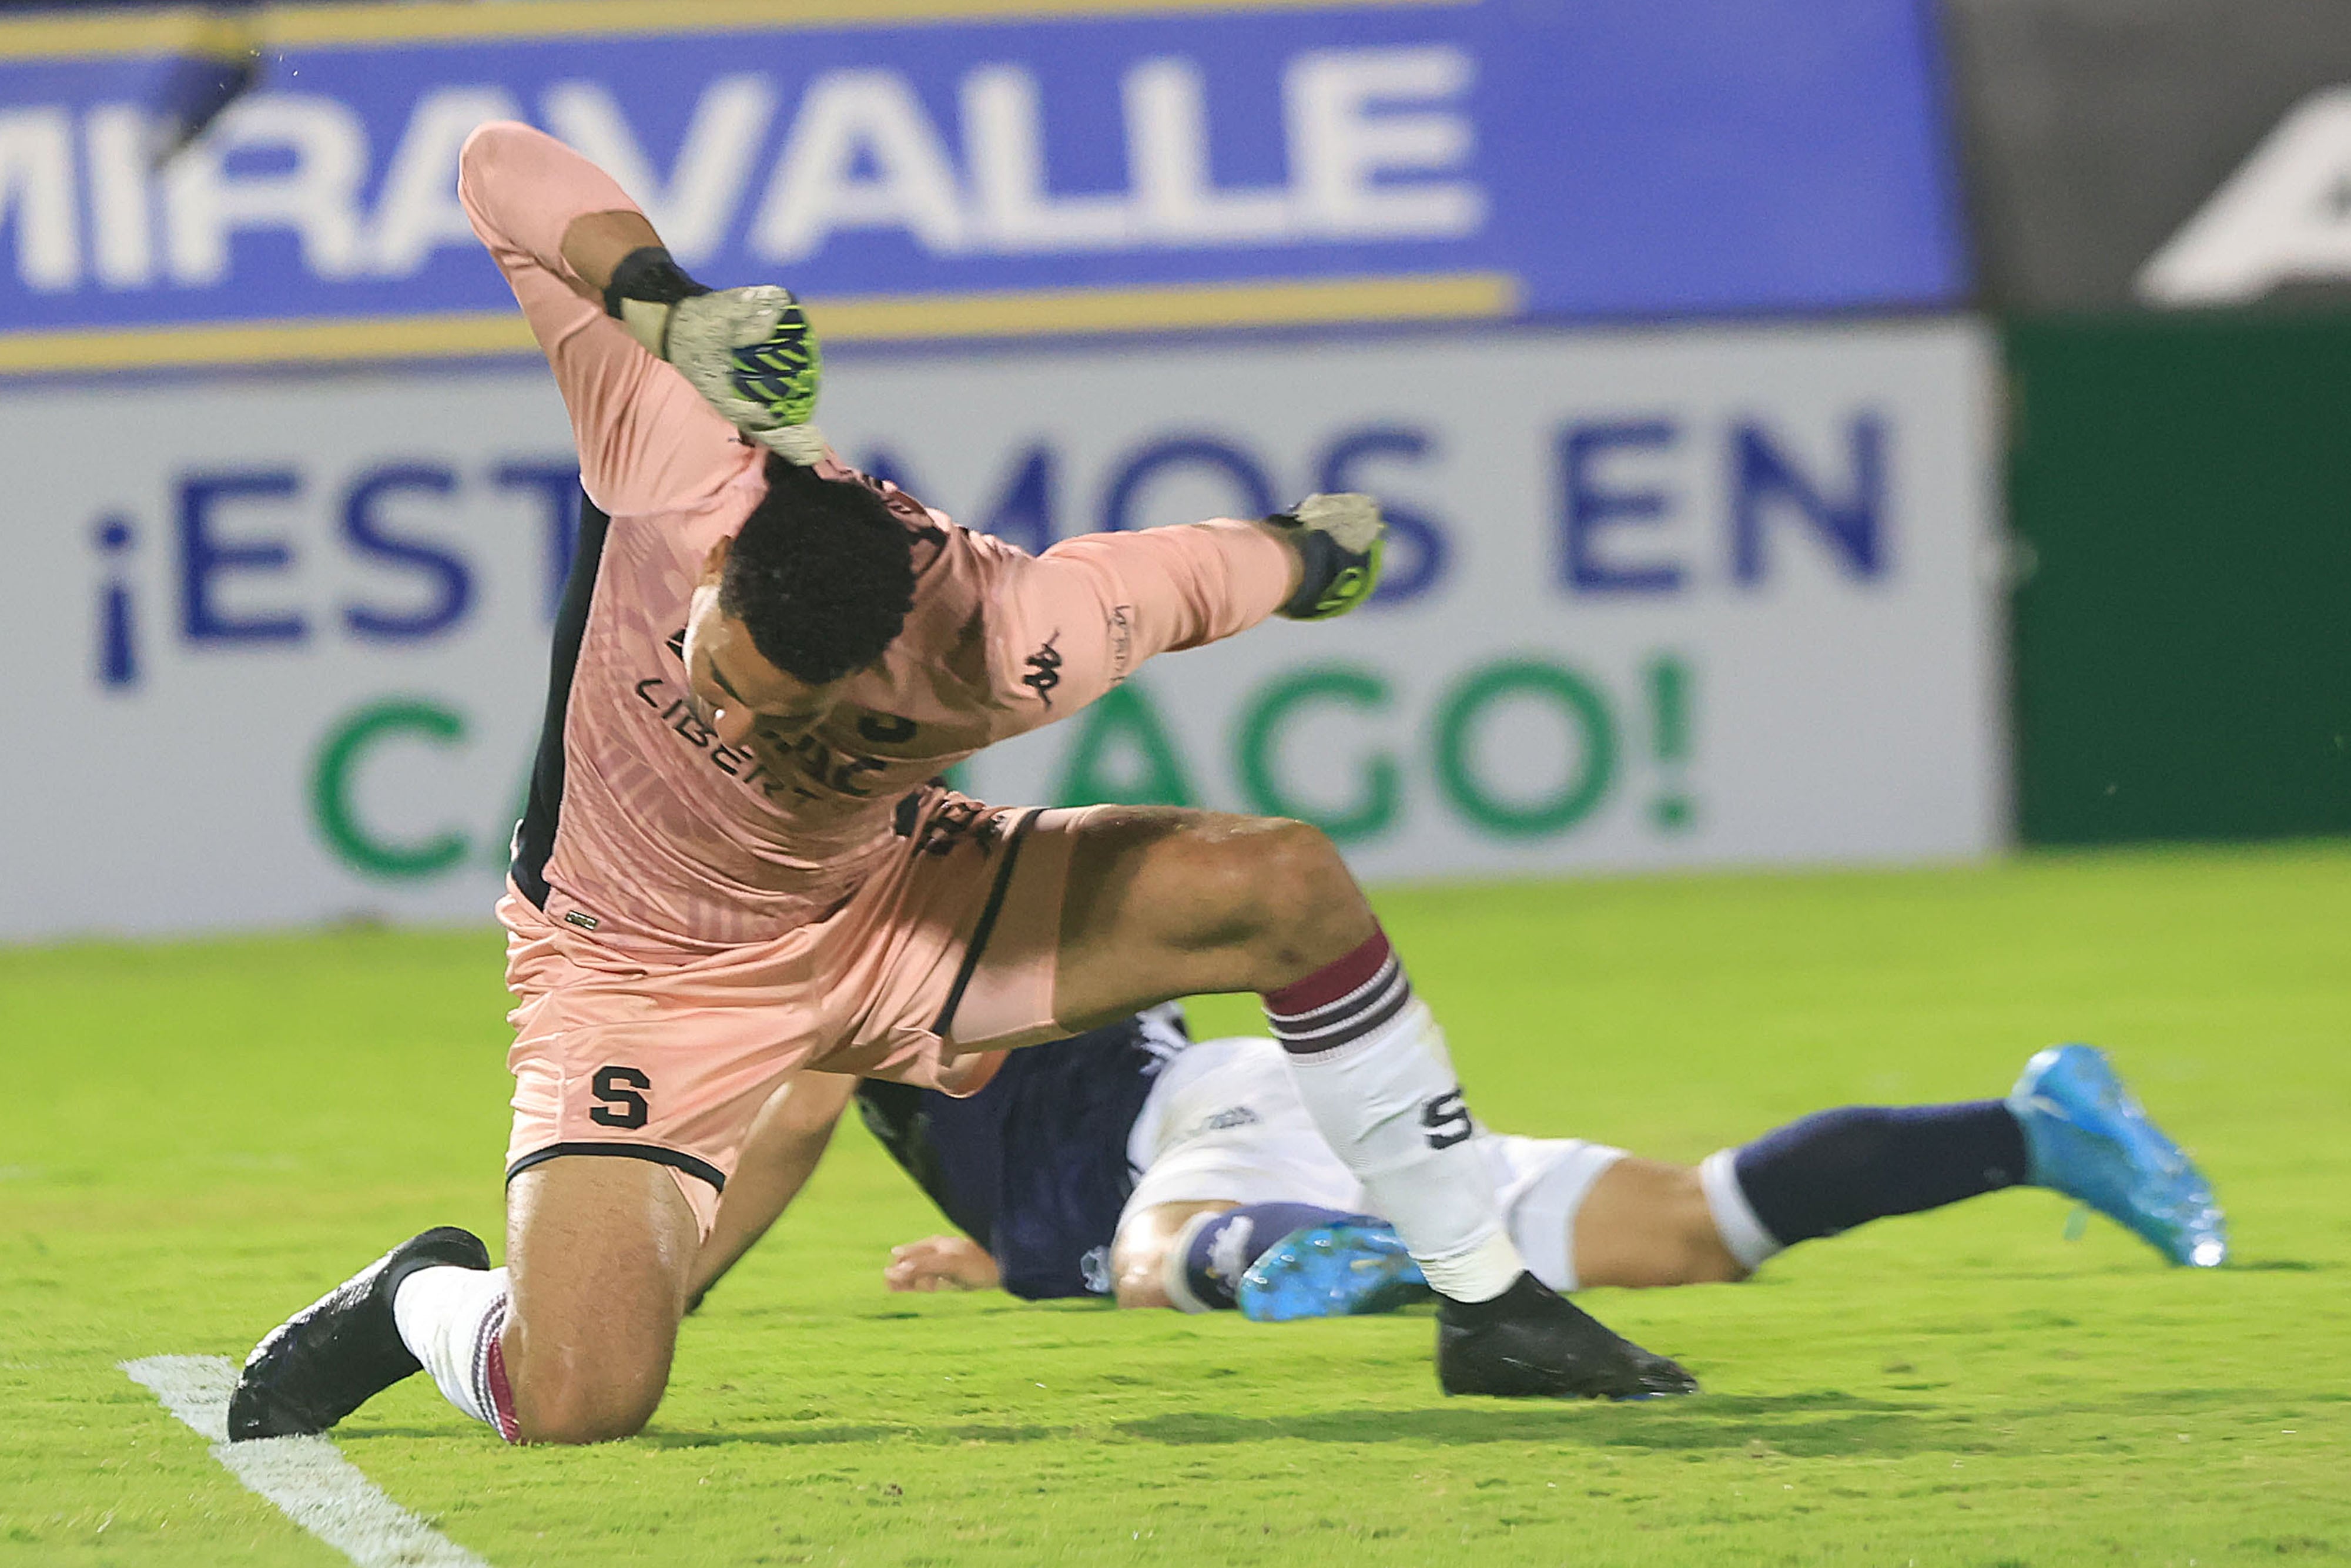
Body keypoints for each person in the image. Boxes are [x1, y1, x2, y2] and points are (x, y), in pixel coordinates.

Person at [226, 120, 1693, 1448]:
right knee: (579, 1401)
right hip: (638, 969)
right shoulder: (674, 455)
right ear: (716, 565)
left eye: (780, 712)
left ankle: (1485, 1301)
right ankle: (420, 1297)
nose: (723, 713)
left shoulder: (1007, 638)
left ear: (874, 661)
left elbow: (1203, 573)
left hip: (896, 909)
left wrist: (1314, 551)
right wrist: (664, 297)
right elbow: (495, 164)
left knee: (1284, 881)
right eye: (716, 668)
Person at [689, 1011, 2226, 1324]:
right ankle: (2036, 1126)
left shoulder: (875, 908)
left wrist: (659, 1290)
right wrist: (1011, 1251)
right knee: (1694, 1226)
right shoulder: (955, 878)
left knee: (1167, 1254)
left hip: (1217, 1123)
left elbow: (789, 1128)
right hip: (1269, 1119)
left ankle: (1328, 1260)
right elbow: (1025, 1119)